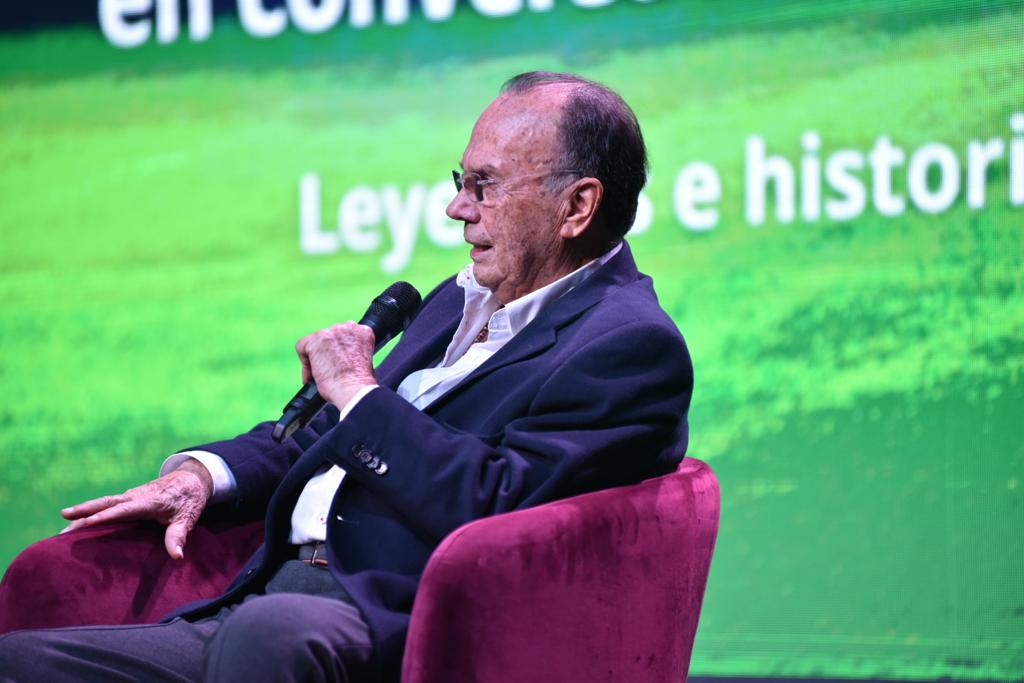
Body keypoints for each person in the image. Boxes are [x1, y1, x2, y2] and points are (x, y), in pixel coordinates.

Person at [0, 71, 693, 683]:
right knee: (20, 664)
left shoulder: (629, 347)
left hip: (403, 627)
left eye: (484, 186)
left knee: (269, 636)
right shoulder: (462, 298)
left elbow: (495, 503)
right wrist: (204, 477)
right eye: (460, 181)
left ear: (577, 207)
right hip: (264, 595)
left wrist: (361, 393)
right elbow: (331, 432)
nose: (457, 208)